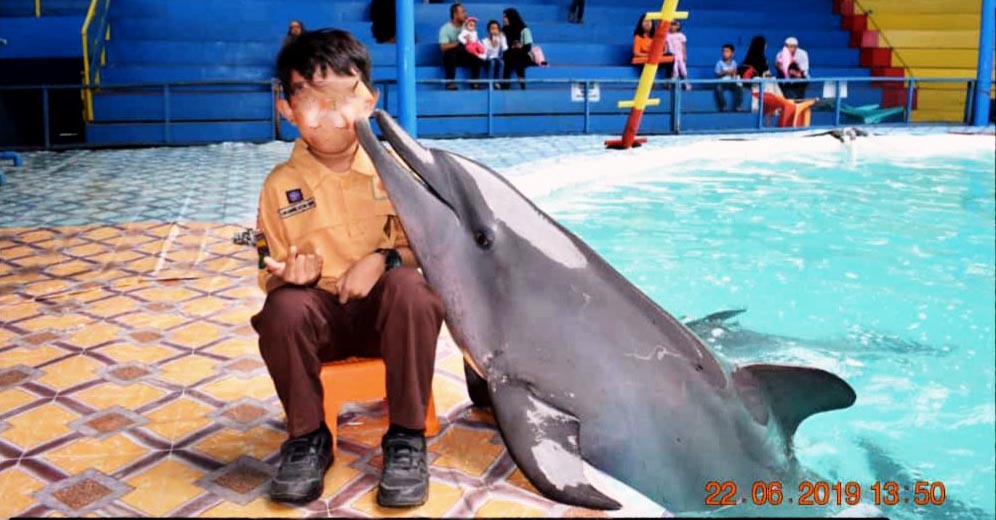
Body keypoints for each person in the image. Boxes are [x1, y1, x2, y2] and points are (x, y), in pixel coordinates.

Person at [261, 29, 445, 507]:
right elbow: (269, 268)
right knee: (283, 309)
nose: (332, 115)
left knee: (412, 289)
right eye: (313, 101)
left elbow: (429, 252)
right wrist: (289, 277)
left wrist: (382, 259)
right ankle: (308, 440)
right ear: (287, 109)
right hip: (320, 324)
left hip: (388, 323)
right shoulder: (279, 186)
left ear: (370, 101)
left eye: (345, 98)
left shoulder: (395, 172)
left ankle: (406, 438)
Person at [738, 35, 813, 127]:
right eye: (787, 46)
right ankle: (779, 105)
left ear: (796, 46)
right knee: (772, 82)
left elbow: (803, 70)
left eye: (792, 46)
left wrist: (795, 72)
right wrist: (778, 68)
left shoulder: (802, 54)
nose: (789, 48)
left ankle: (784, 105)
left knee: (774, 82)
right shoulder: (778, 55)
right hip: (756, 83)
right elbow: (765, 72)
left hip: (800, 78)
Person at [439, 3, 483, 90]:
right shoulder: (445, 29)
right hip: (452, 58)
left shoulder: (467, 26)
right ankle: (450, 83)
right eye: (462, 12)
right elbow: (443, 47)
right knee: (451, 52)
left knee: (476, 55)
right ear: (455, 14)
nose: (465, 14)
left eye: (465, 12)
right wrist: (458, 43)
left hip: (465, 55)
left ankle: (475, 83)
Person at [501, 8, 533, 90]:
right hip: (508, 55)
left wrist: (520, 47)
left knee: (516, 53)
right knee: (510, 55)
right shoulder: (503, 30)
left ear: (512, 17)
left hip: (522, 55)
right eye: (503, 17)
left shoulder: (524, 29)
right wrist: (511, 47)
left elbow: (528, 47)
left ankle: (506, 85)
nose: (503, 19)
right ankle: (519, 82)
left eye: (505, 17)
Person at [714, 43, 743, 111]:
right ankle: (724, 106)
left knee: (740, 88)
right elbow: (717, 74)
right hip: (723, 83)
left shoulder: (734, 63)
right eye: (723, 51)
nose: (725, 53)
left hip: (732, 82)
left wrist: (734, 73)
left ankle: (738, 106)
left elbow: (735, 73)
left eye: (727, 51)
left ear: (732, 54)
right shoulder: (719, 63)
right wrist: (725, 72)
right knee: (718, 88)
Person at [482, 20, 508, 88]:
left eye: (496, 28)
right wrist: (492, 45)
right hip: (488, 59)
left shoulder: (501, 38)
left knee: (501, 62)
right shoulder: (484, 41)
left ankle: (498, 83)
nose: (494, 30)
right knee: (492, 62)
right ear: (488, 30)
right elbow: (485, 54)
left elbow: (505, 48)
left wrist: (501, 40)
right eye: (492, 28)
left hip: (498, 59)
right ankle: (490, 84)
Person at [666, 20, 690, 90]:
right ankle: (675, 86)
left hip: (680, 55)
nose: (673, 26)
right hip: (672, 56)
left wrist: (684, 55)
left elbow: (683, 46)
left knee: (683, 70)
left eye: (675, 25)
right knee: (674, 70)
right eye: (671, 24)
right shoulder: (667, 36)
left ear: (678, 26)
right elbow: (666, 46)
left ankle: (686, 84)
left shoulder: (681, 35)